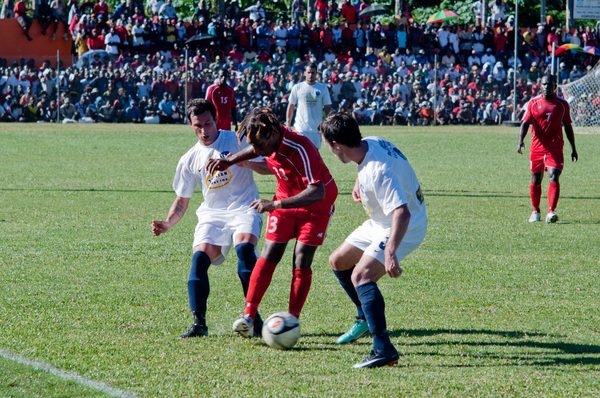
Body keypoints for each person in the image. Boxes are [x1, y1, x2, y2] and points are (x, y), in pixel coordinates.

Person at [206, 108, 338, 338]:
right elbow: (255, 150)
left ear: (273, 134)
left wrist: (274, 205)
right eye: (253, 146)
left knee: (301, 259)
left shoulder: (301, 146)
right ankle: (248, 316)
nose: (257, 152)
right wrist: (228, 161)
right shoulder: (266, 140)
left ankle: (292, 321)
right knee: (269, 253)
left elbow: (318, 191)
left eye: (259, 146)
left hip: (315, 207)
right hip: (284, 202)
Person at [151, 99, 269, 338]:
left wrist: (242, 161)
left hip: (245, 207)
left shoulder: (237, 140)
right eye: (198, 126)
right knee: (199, 261)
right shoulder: (189, 158)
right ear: (190, 124)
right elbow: (182, 201)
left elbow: (269, 165)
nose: (204, 131)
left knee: (245, 251)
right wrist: (168, 223)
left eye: (208, 123)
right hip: (213, 215)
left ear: (216, 119)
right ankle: (199, 324)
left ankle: (253, 318)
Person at [318, 112, 427, 368]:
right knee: (338, 261)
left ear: (337, 145)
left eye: (327, 146)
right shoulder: (371, 142)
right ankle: (364, 317)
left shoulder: (378, 172)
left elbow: (402, 212)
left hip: (403, 225)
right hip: (380, 221)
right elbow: (370, 164)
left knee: (361, 277)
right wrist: (359, 181)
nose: (329, 151)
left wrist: (390, 252)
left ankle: (383, 348)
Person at [517, 74, 578, 223]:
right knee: (536, 179)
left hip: (555, 148)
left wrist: (573, 148)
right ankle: (535, 211)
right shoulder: (533, 103)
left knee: (554, 176)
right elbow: (525, 123)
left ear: (555, 86)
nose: (546, 87)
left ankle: (551, 211)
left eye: (549, 85)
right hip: (537, 148)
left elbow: (568, 127)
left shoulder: (562, 105)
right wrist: (520, 141)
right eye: (544, 84)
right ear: (540, 86)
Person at [286, 62, 332, 149]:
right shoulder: (297, 87)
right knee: (300, 153)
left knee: (314, 154)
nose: (311, 75)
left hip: (316, 129)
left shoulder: (323, 88)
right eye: (309, 72)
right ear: (304, 73)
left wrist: (328, 125)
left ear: (316, 73)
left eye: (313, 72)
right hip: (300, 128)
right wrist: (288, 123)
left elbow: (327, 108)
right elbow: (291, 106)